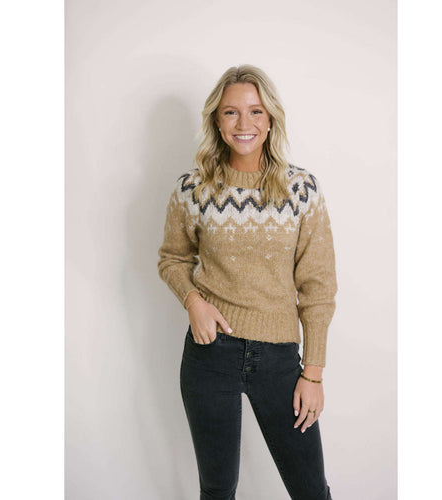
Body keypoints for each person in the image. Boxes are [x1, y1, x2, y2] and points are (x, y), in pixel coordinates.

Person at [157, 64, 337, 500]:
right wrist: (193, 301)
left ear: (270, 119)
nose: (244, 124)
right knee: (217, 490)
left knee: (311, 490)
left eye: (255, 111)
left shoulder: (301, 190)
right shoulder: (193, 189)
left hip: (278, 360)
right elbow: (172, 258)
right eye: (231, 112)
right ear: (217, 122)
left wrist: (313, 373)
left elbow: (318, 287)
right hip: (209, 355)